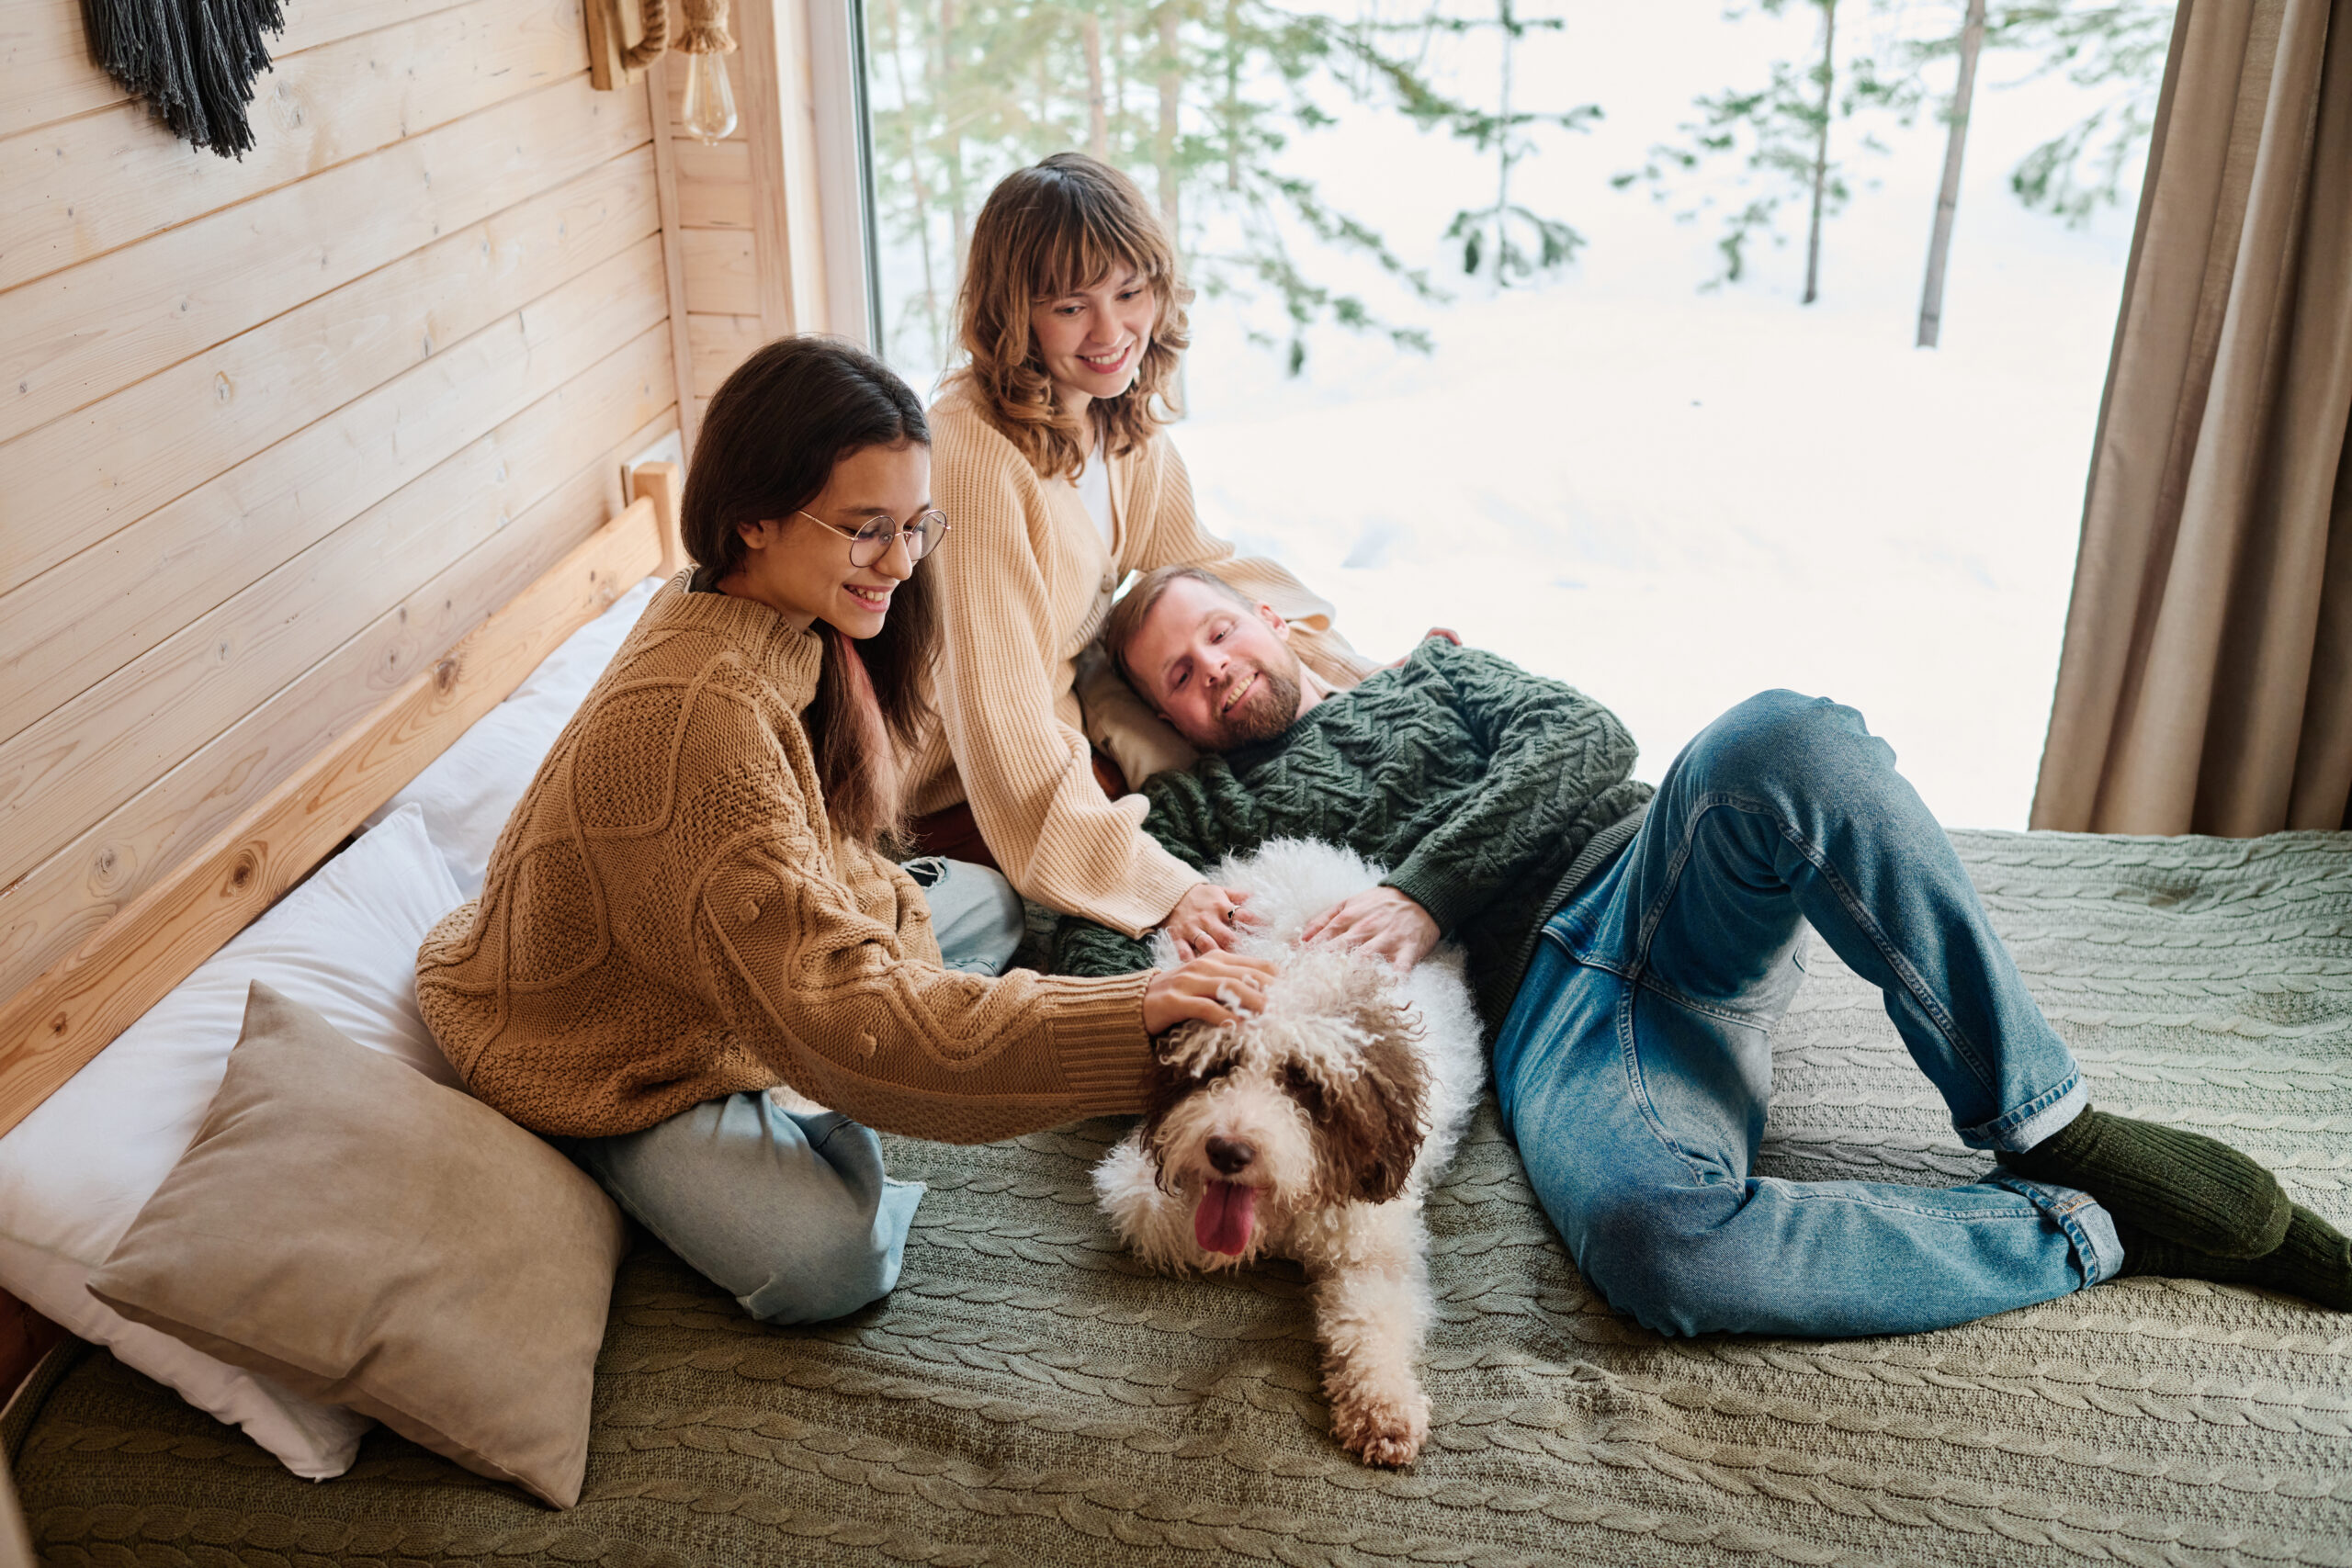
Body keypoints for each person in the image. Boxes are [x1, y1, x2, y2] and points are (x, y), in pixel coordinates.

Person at [1051, 564, 2351, 1334]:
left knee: (1787, 734)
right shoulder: (1203, 816)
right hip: (1556, 1022)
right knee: (1655, 1245)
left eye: (1219, 632)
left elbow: (1588, 740)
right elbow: (1073, 945)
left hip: (1655, 876)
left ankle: (2046, 1119)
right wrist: (1163, 927)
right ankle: (2078, 1223)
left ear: (1274, 619)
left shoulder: (1427, 678)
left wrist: (1429, 891)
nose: (1211, 672)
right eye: (1175, 676)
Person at [415, 341, 1273, 1327]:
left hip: (719, 955)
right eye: (868, 531)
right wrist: (1130, 1015)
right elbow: (842, 1015)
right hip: (605, 1050)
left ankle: (804, 1078)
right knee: (832, 1260)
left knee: (980, 902)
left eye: (915, 527)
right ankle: (710, 1136)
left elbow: (811, 870)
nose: (904, 564)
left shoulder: (753, 611)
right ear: (753, 519)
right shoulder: (704, 727)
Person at [905, 151, 1377, 961]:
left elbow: (1207, 572)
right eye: (1070, 306)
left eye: (1131, 293)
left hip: (1065, 753)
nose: (1112, 332)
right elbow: (1001, 718)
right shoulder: (975, 454)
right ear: (1014, 314)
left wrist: (1358, 675)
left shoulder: (1117, 422)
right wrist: (1162, 888)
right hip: (952, 790)